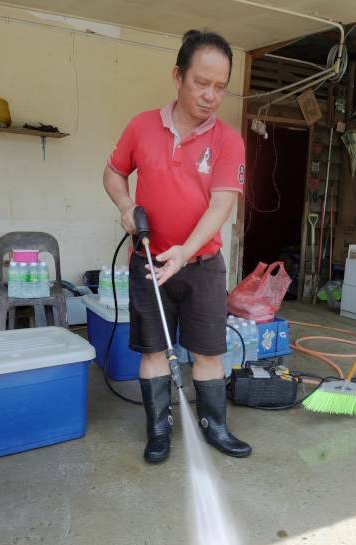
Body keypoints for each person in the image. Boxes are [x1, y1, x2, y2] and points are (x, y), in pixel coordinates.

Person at [103, 30, 250, 465]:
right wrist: (126, 207)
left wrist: (186, 250)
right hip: (148, 260)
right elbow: (113, 173)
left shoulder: (228, 140)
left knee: (208, 350)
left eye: (220, 87)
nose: (210, 95)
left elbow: (221, 206)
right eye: (201, 83)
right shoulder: (141, 126)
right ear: (178, 76)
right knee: (152, 350)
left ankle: (215, 426)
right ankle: (159, 430)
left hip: (201, 263)